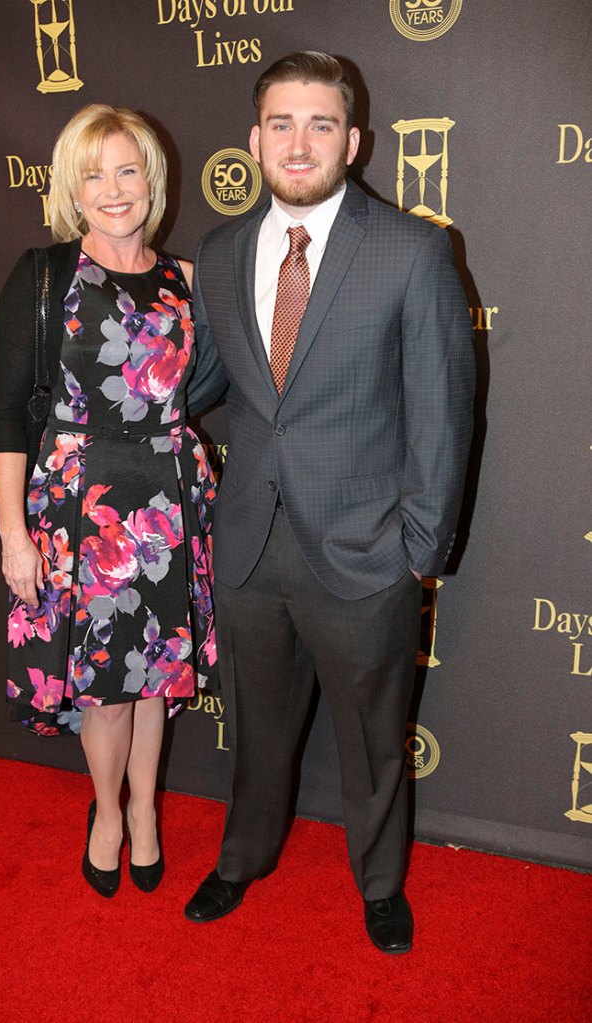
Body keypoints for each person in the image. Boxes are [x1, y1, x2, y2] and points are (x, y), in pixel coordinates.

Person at [183, 52, 475, 953]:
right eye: (280, 123)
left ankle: (381, 884)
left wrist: (420, 549)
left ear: (354, 140)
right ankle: (243, 857)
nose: (298, 142)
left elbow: (443, 407)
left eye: (318, 124)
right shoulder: (221, 250)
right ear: (254, 139)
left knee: (375, 739)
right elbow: (197, 383)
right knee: (257, 726)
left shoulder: (413, 248)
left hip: (365, 548)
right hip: (249, 544)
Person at [0, 104, 217, 899]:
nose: (114, 189)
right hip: (82, 507)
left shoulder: (186, 280)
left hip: (167, 499)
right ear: (71, 189)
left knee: (156, 677)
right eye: (94, 174)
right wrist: (14, 534)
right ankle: (108, 814)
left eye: (128, 169)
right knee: (108, 691)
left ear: (152, 179)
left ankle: (147, 810)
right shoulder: (45, 276)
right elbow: (7, 410)